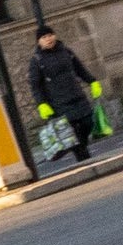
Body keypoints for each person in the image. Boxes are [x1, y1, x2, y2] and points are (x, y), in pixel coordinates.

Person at [24, 26, 101, 162]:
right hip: (58, 102)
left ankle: (81, 148)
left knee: (88, 122)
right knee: (71, 131)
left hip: (77, 95)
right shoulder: (36, 60)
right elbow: (36, 85)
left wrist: (92, 81)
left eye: (50, 35)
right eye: (44, 37)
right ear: (39, 42)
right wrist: (41, 103)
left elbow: (79, 69)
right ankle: (82, 155)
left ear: (55, 36)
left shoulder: (66, 52)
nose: (48, 39)